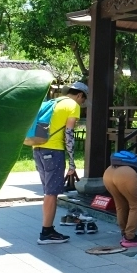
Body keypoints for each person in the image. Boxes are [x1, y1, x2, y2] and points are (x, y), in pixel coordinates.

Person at [35, 82, 87, 244]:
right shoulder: (72, 105)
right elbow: (69, 134)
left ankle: (48, 229)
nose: (82, 104)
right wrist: (72, 163)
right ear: (79, 95)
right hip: (54, 152)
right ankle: (46, 232)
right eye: (83, 100)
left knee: (48, 191)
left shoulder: (54, 102)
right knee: (51, 193)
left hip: (38, 149)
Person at [102, 154, 137, 248]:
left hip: (109, 172)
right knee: (136, 205)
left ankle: (124, 233)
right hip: (126, 175)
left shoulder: (128, 164)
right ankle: (130, 237)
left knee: (120, 205)